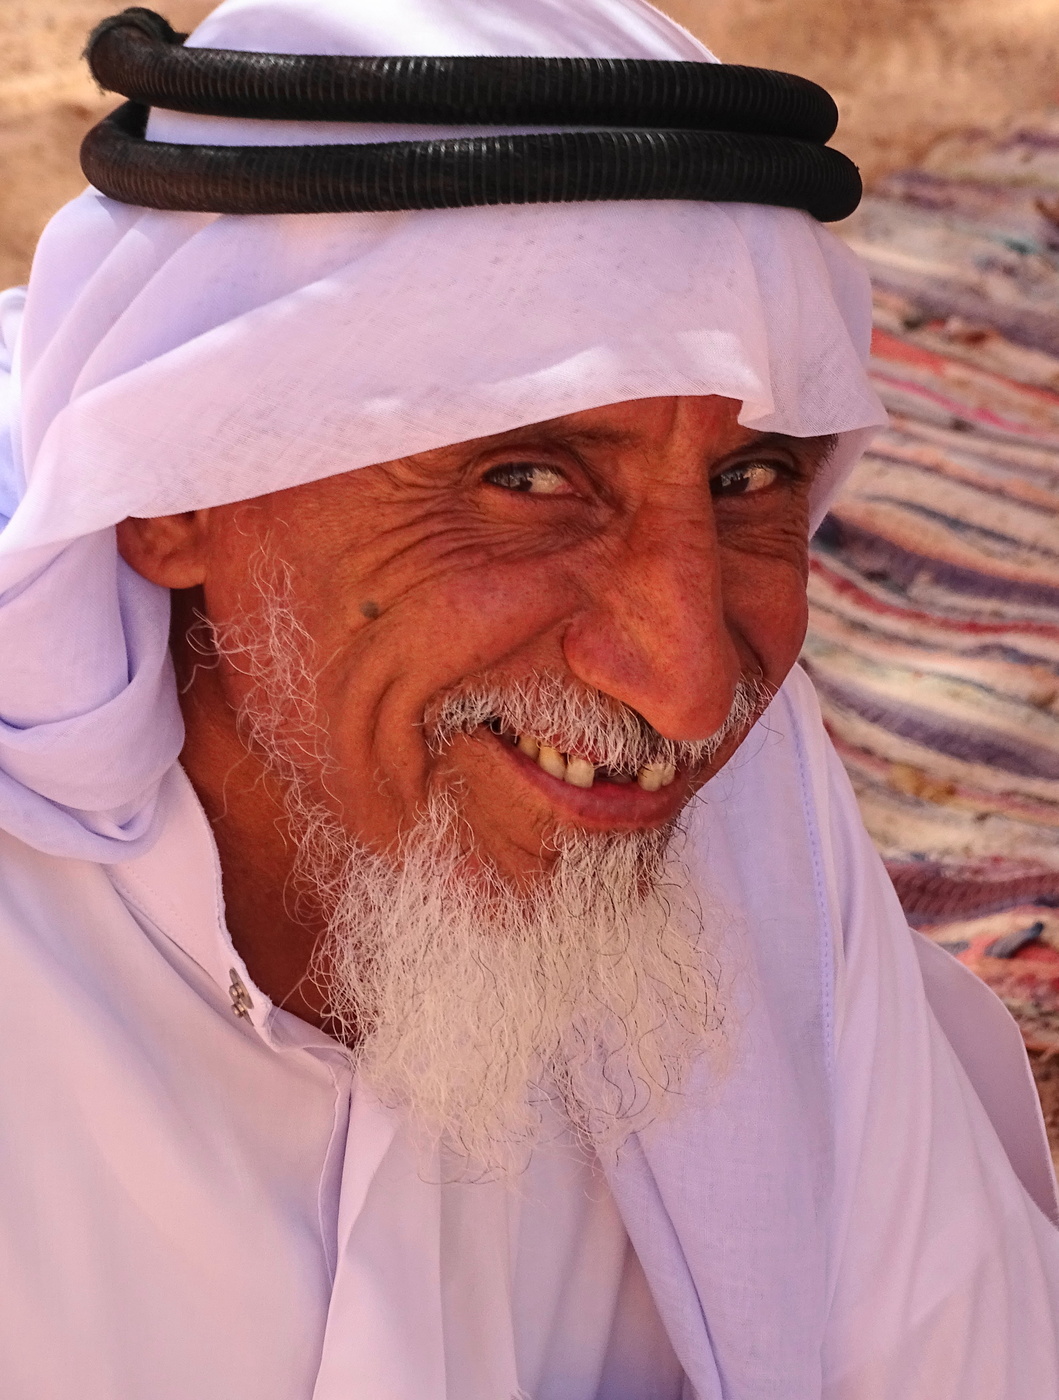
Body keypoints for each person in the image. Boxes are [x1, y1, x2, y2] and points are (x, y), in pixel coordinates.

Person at [0, 0, 1056, 1396]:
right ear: (175, 495)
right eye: (526, 481)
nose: (686, 691)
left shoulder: (724, 805)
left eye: (751, 482)